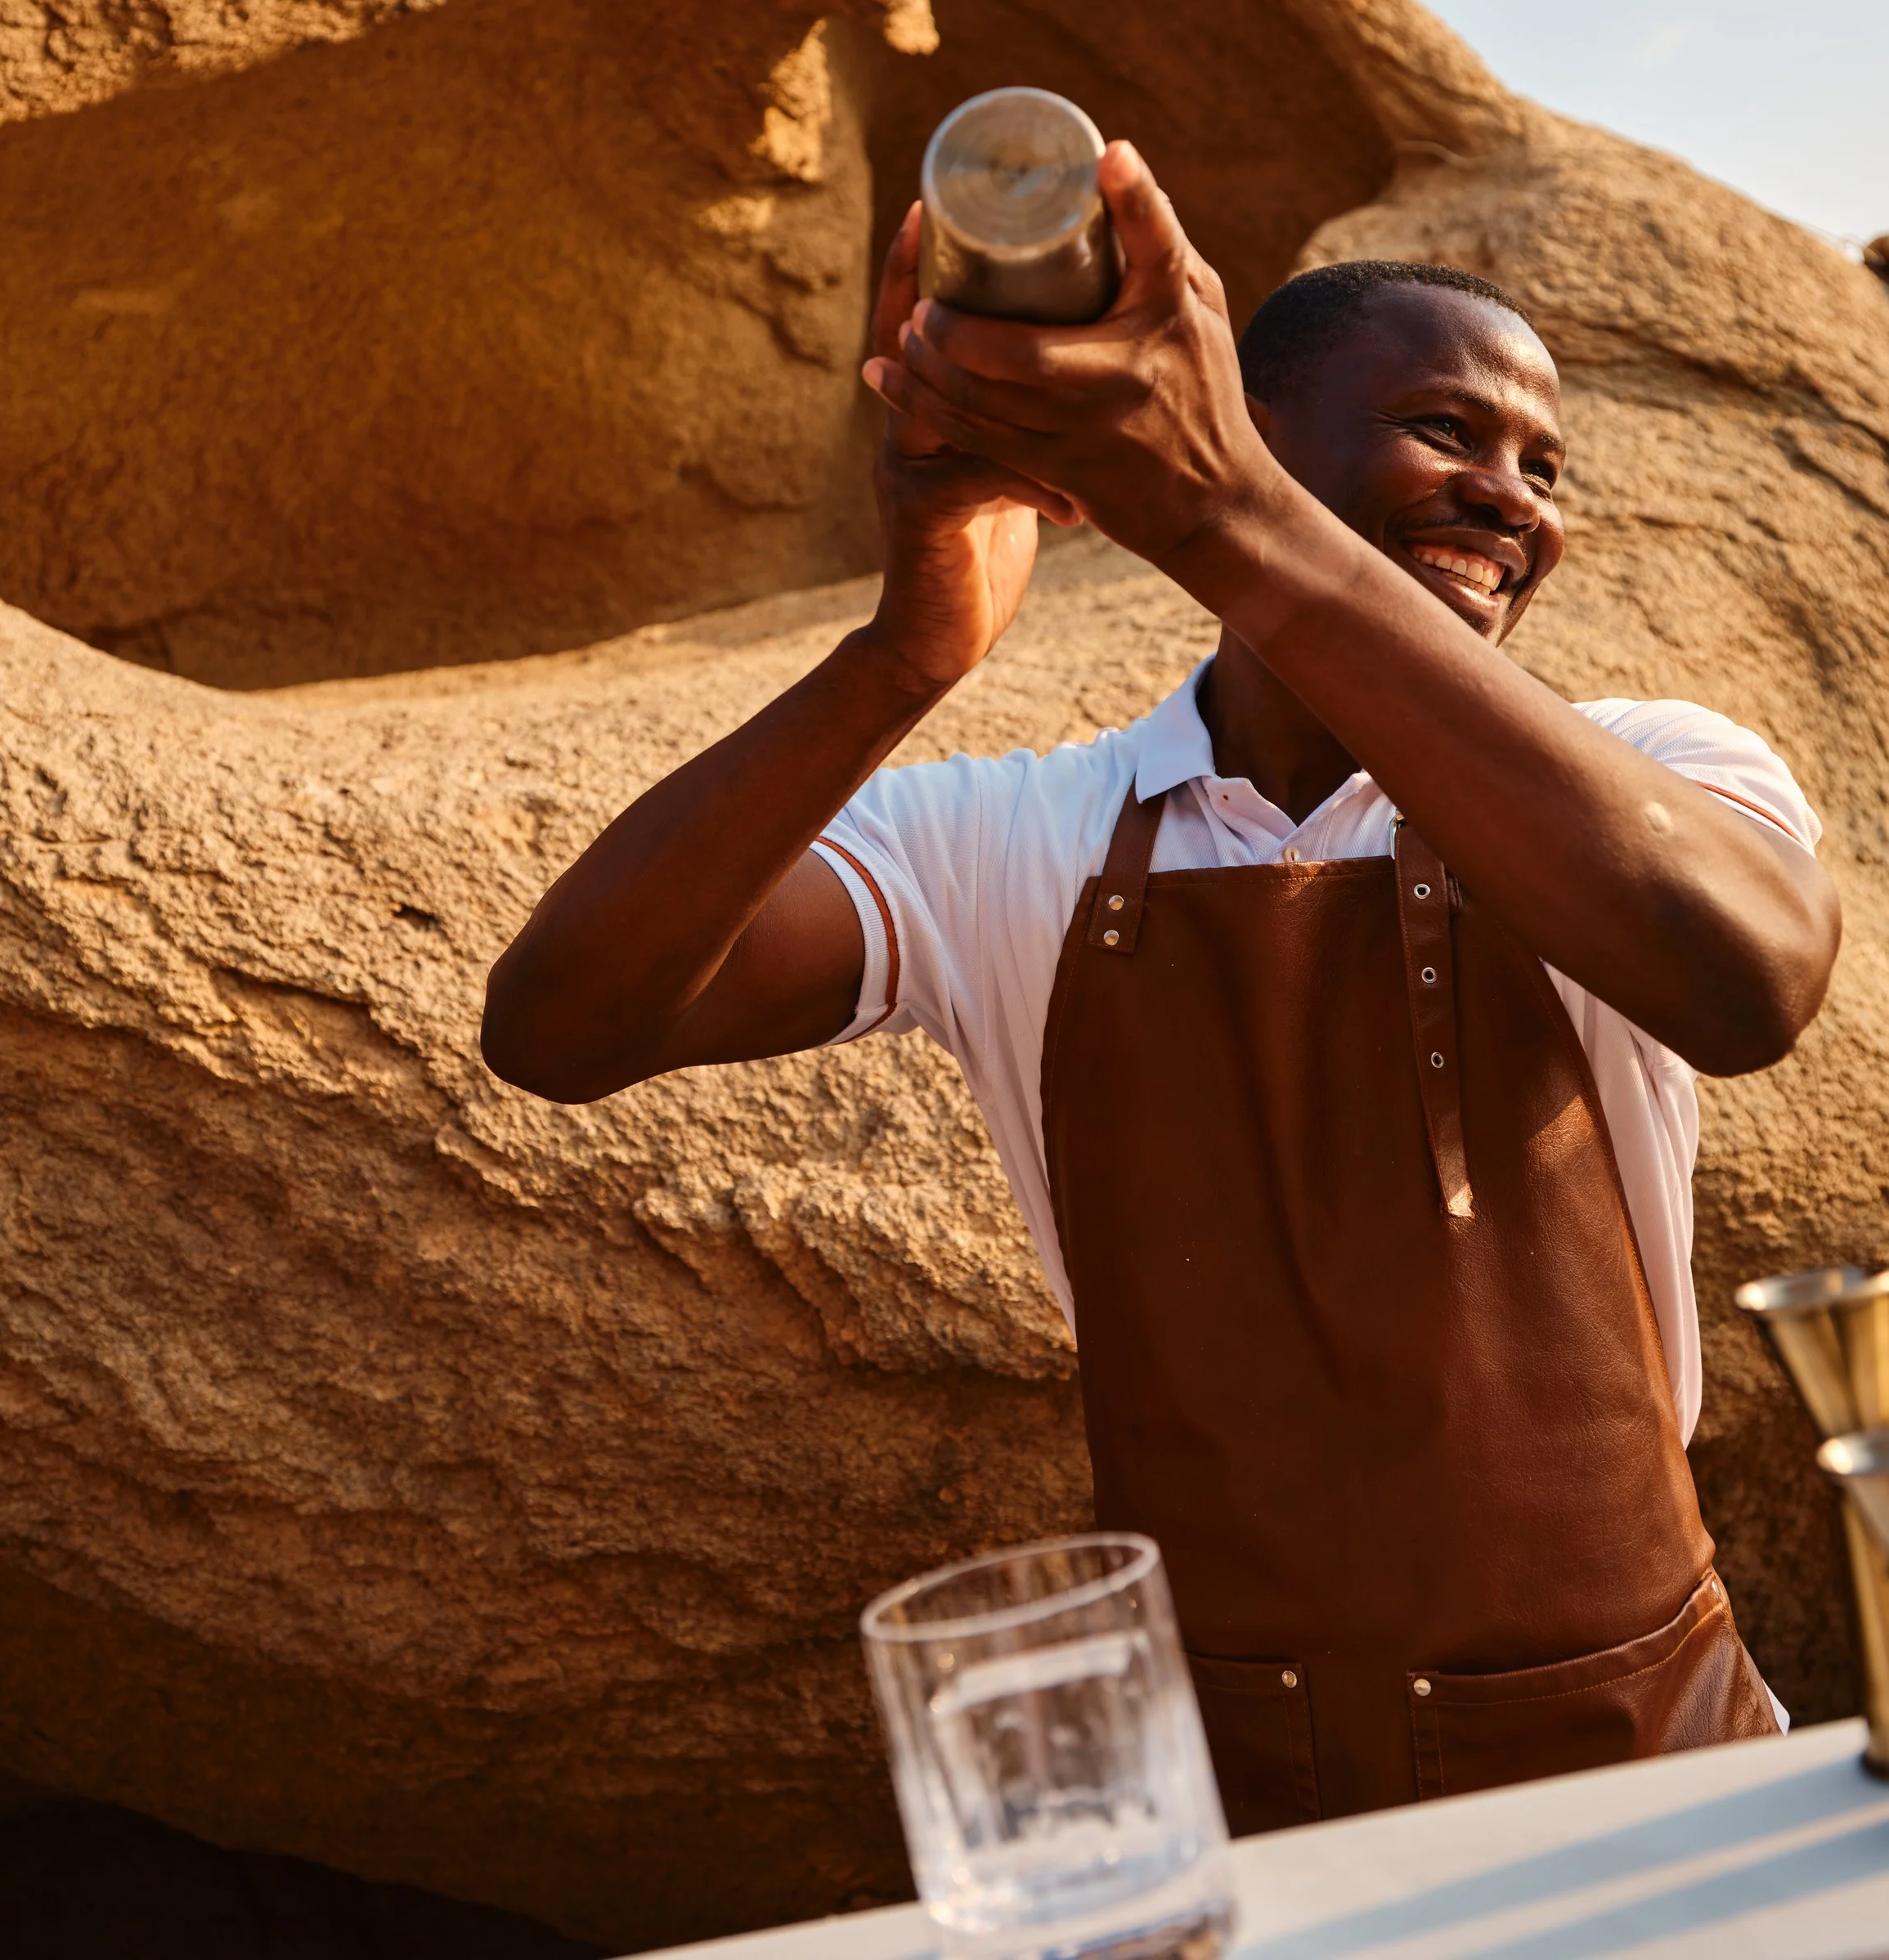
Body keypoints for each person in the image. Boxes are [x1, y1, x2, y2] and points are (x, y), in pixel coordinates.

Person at [482, 141, 1841, 1832]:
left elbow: (1739, 981)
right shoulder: (1014, 833)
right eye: (1445, 428)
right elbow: (560, 1023)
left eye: (1541, 459)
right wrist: (904, 654)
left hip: (1640, 1771)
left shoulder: (1650, 764)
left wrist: (1226, 514)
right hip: (1223, 1804)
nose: (1515, 494)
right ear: (1242, 424)